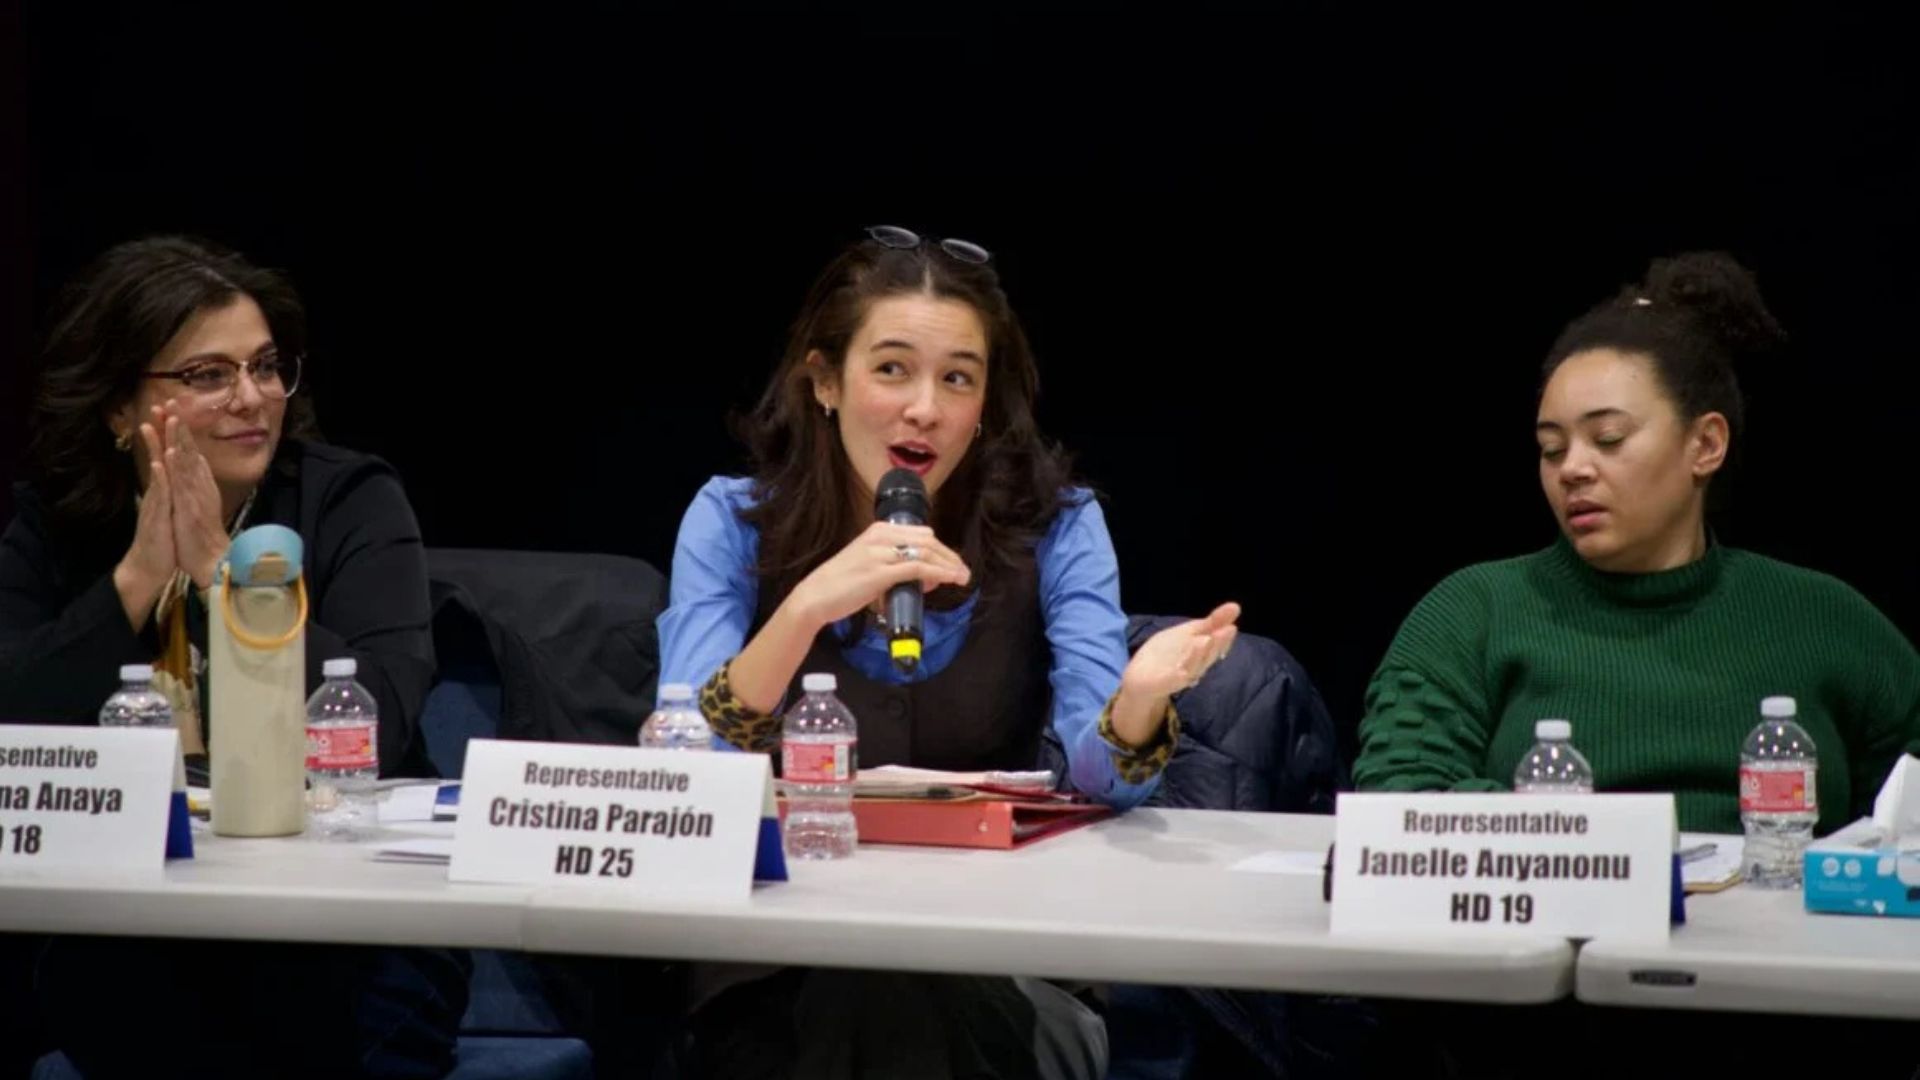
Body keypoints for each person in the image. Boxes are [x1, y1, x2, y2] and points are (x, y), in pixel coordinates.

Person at [658, 225, 1241, 1079]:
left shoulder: (1059, 526)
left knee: (893, 989)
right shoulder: (733, 520)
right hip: (779, 963)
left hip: (1000, 963)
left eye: (957, 379)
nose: (924, 407)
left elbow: (1102, 778)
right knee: (858, 990)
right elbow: (687, 767)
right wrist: (805, 608)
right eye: (891, 369)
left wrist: (1138, 702)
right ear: (824, 380)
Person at [0, 236, 466, 1079]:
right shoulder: (54, 526)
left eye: (266, 365)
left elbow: (381, 722)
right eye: (208, 375)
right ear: (117, 407)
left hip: (346, 929)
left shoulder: (350, 502)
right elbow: (12, 715)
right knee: (104, 976)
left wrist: (224, 571)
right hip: (126, 922)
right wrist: (139, 578)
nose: (253, 397)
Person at [1353, 250, 1920, 835]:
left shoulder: (1822, 618)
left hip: (1776, 917)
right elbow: (1400, 799)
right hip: (1555, 918)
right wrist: (1613, 852)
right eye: (1552, 448)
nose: (1573, 468)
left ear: (1706, 445)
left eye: (1608, 438)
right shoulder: (1474, 611)